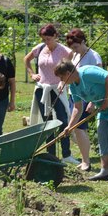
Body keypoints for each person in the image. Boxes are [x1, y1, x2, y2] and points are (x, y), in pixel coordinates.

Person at [55, 60, 108, 181]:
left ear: (68, 73)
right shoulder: (73, 86)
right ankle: (105, 171)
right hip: (104, 104)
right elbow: (78, 108)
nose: (61, 81)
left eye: (62, 77)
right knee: (102, 135)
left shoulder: (87, 73)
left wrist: (106, 100)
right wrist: (70, 126)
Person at [23, 24, 76, 164]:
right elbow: (26, 59)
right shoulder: (39, 48)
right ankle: (51, 155)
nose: (46, 41)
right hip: (42, 89)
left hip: (57, 89)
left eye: (48, 38)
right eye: (44, 39)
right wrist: (32, 74)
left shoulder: (65, 51)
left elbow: (70, 68)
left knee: (63, 120)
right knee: (47, 123)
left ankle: (66, 154)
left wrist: (62, 82)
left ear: (55, 36)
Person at [65, 28, 102, 172]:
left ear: (83, 42)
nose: (74, 50)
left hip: (88, 96)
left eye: (76, 46)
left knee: (80, 128)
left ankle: (87, 161)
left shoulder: (93, 56)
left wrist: (93, 102)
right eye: (72, 48)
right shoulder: (75, 56)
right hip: (75, 95)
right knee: (76, 128)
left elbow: (100, 79)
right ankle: (84, 158)